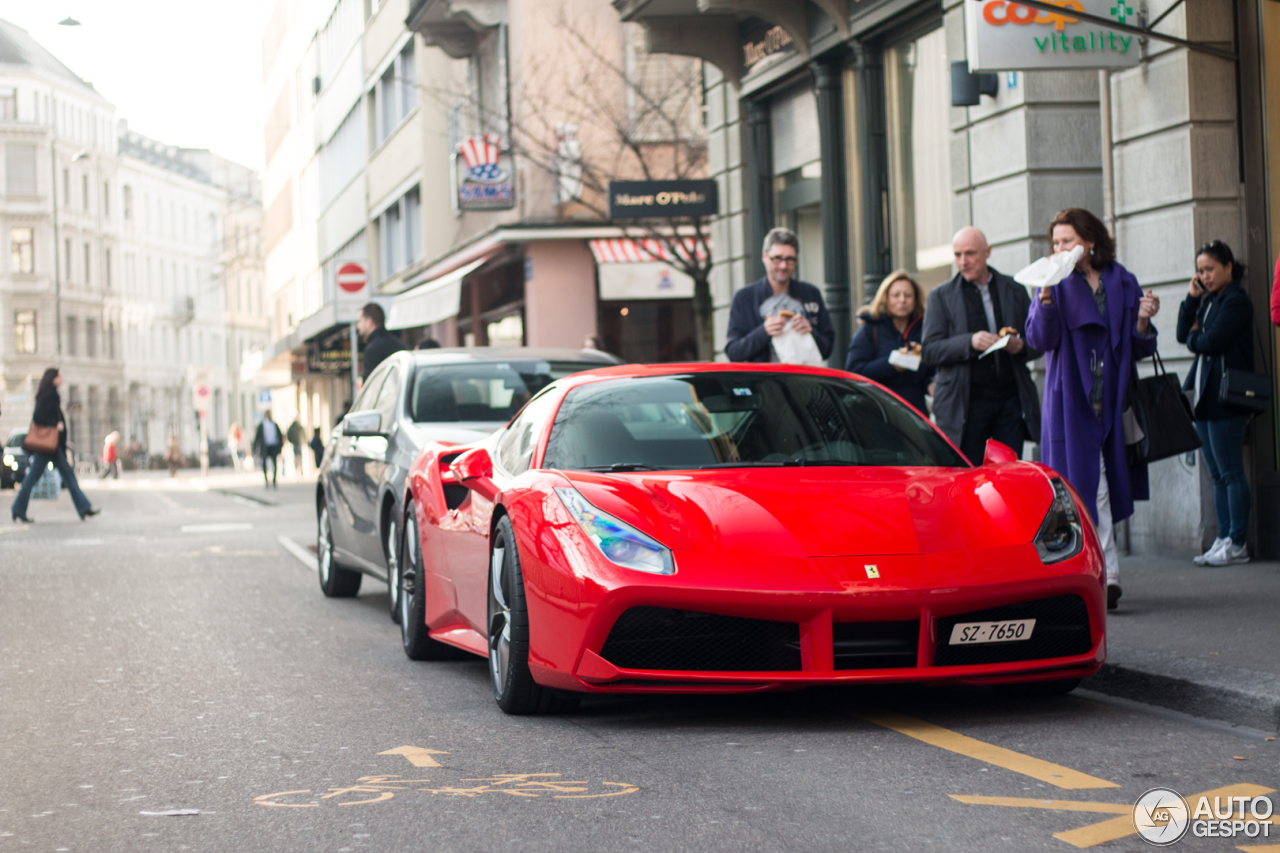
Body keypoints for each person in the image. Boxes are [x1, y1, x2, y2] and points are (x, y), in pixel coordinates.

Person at [1025, 208, 1161, 611]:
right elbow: (1039, 338)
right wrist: (1046, 294)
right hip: (1071, 401)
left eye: (1067, 241)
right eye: (1055, 243)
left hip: (1114, 400)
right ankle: (1107, 572)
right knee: (1088, 486)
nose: (1060, 249)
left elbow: (1138, 348)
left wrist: (1142, 321)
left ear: (1090, 241)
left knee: (1098, 485)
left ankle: (1079, 573)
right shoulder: (1054, 282)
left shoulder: (1122, 280)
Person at [922, 226, 1042, 464]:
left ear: (987, 252)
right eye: (957, 255)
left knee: (1008, 475)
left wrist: (1021, 347)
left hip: (1009, 400)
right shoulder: (940, 296)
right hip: (964, 404)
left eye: (970, 253)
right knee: (968, 476)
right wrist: (969, 341)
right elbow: (929, 350)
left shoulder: (1014, 290)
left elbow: (1038, 340)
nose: (963, 261)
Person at [1178, 241, 1254, 566]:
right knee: (1217, 474)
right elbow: (1184, 334)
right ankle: (1223, 538)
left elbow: (1211, 341)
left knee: (1232, 471)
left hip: (1227, 398)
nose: (1205, 276)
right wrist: (1192, 298)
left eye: (1210, 269)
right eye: (1201, 271)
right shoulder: (1209, 302)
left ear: (1228, 266)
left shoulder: (1237, 300)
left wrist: (1198, 340)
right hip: (1207, 397)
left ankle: (1237, 543)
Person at [725, 227, 835, 363]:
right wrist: (763, 332)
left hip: (803, 380)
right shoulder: (744, 298)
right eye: (777, 258)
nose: (783, 266)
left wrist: (811, 332)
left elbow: (827, 349)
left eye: (790, 259)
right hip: (761, 381)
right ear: (764, 257)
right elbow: (733, 353)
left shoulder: (811, 294)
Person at [10, 367, 99, 522]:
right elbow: (38, 416)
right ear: (53, 378)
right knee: (37, 477)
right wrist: (54, 425)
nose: (62, 378)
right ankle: (18, 509)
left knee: (66, 475)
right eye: (59, 376)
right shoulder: (49, 394)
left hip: (52, 446)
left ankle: (84, 507)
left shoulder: (50, 393)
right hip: (48, 445)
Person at [845, 270, 935, 413]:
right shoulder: (870, 328)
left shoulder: (925, 328)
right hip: (877, 411)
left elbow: (932, 369)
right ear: (885, 298)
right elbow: (854, 370)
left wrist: (931, 382)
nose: (902, 300)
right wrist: (890, 365)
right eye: (895, 295)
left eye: (908, 295)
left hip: (915, 414)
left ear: (916, 299)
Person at [357, 303, 405, 383]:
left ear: (369, 322)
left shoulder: (372, 350)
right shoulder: (399, 344)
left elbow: (370, 386)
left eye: (360, 321)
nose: (358, 325)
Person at [253, 411, 284, 489]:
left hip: (273, 446)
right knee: (264, 464)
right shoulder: (262, 425)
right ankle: (266, 480)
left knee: (275, 464)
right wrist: (254, 448)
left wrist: (280, 446)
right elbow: (257, 437)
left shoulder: (274, 424)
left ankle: (274, 480)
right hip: (265, 447)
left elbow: (280, 436)